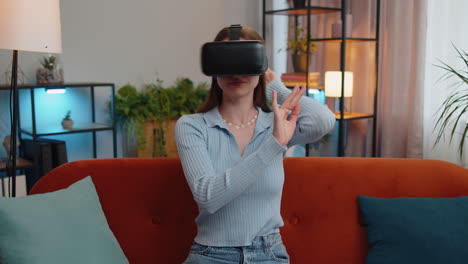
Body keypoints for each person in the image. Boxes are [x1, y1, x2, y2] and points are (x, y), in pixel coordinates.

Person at [175, 25, 335, 264]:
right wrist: (274, 145)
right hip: (211, 255)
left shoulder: (277, 123)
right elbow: (208, 197)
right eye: (228, 60)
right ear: (213, 67)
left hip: (268, 253)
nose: (236, 71)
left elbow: (323, 120)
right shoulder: (192, 126)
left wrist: (274, 85)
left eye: (245, 59)